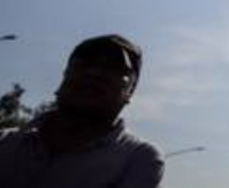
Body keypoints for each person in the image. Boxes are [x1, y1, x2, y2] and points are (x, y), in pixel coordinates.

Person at [0, 34, 164, 188]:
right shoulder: (5, 142)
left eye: (113, 68)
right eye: (84, 64)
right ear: (65, 76)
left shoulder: (138, 159)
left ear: (130, 91)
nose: (94, 73)